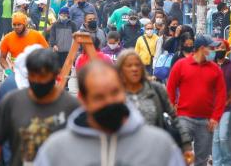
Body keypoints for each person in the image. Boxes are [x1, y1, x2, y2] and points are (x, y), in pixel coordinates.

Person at [34, 61, 185, 166]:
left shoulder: (159, 145)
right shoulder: (56, 150)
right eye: (99, 97)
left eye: (115, 92)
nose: (109, 101)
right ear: (84, 101)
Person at [0, 48, 79, 166]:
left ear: (55, 74)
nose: (37, 80)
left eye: (43, 76)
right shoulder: (12, 102)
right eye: (32, 75)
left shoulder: (72, 107)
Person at [117, 50, 194, 162]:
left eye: (137, 65)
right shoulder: (115, 93)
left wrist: (186, 145)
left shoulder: (155, 89)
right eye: (129, 65)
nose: (134, 69)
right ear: (121, 69)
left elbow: (174, 117)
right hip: (125, 154)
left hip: (154, 152)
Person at [167, 34, 227, 166]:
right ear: (201, 48)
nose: (214, 51)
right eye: (211, 48)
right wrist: (172, 109)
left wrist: (215, 117)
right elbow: (170, 88)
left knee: (202, 160)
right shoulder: (181, 65)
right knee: (183, 156)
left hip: (206, 121)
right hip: (183, 118)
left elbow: (221, 95)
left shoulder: (215, 70)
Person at [212, 39, 231, 166]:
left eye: (221, 47)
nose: (219, 50)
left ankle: (228, 163)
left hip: (228, 107)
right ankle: (217, 163)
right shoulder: (209, 66)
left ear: (227, 49)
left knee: (223, 137)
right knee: (215, 139)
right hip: (212, 108)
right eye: (216, 47)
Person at [0, 13, 48, 79]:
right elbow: (2, 58)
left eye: (19, 24)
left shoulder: (37, 36)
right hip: (15, 74)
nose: (16, 27)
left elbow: (47, 54)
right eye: (14, 25)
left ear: (25, 24)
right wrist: (7, 69)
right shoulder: (8, 38)